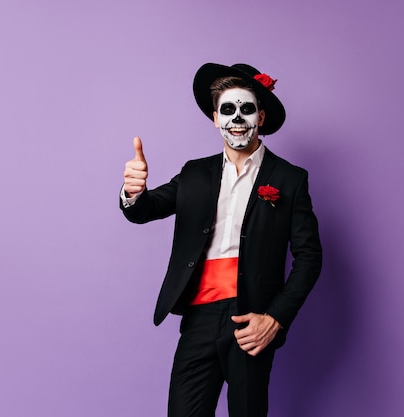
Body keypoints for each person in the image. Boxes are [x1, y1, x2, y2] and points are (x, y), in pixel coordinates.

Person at [120, 62, 322, 417]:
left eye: (246, 109)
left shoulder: (290, 179)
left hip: (251, 319)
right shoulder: (194, 173)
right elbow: (145, 209)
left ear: (260, 116)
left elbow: (309, 258)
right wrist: (133, 191)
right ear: (216, 118)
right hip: (198, 316)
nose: (237, 118)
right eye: (228, 110)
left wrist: (274, 318)